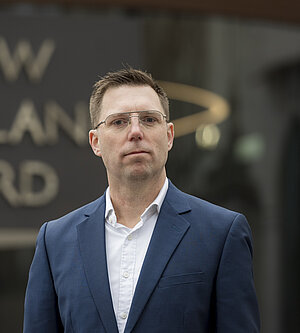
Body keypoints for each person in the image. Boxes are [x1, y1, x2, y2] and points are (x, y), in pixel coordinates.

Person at [23, 67, 260, 333]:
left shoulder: (221, 233)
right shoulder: (54, 241)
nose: (135, 131)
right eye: (119, 121)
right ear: (95, 142)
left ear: (169, 135)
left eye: (149, 120)